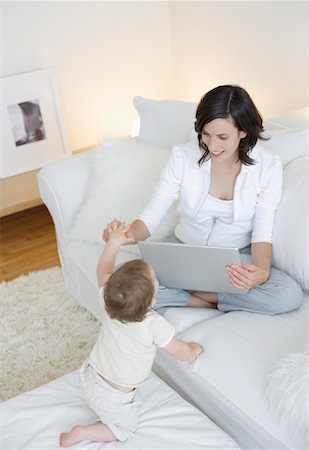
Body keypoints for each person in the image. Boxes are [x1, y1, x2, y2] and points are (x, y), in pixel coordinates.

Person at [104, 85, 303, 316]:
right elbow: (152, 214)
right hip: (183, 249)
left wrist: (260, 272)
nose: (211, 145)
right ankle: (205, 301)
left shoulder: (267, 166)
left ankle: (199, 296)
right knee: (121, 285)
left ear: (244, 132)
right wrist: (125, 235)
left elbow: (262, 231)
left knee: (288, 294)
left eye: (222, 137)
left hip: (237, 256)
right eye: (205, 134)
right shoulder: (183, 156)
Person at [59, 222, 203, 447]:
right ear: (153, 301)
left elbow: (103, 269)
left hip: (89, 375)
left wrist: (114, 242)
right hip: (114, 399)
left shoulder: (109, 301)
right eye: (155, 281)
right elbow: (180, 351)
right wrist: (194, 350)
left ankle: (92, 422)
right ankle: (83, 432)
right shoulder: (154, 324)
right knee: (124, 430)